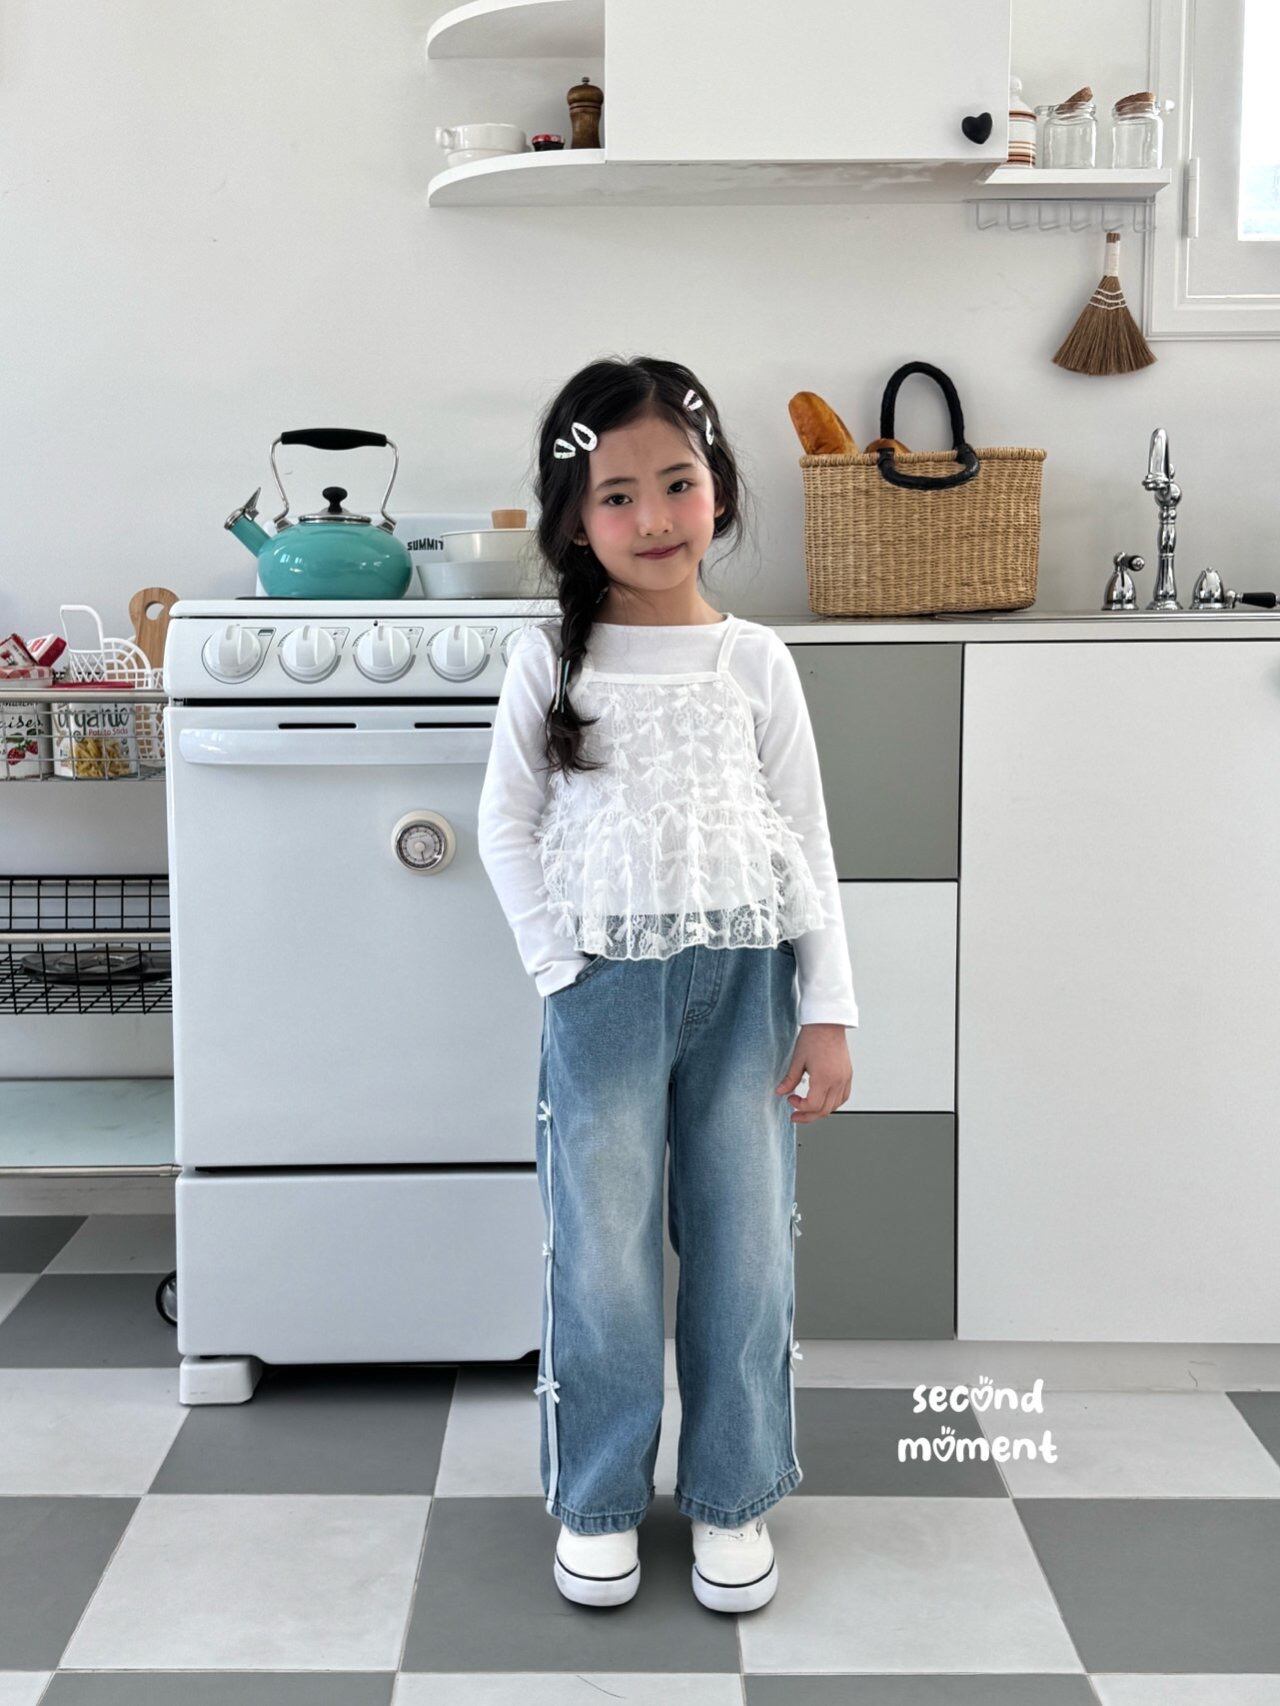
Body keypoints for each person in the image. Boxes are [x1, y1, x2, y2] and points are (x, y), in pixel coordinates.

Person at [477, 354, 858, 1615]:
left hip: (745, 989)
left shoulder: (755, 660)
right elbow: (503, 825)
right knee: (603, 1256)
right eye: (616, 495)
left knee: (744, 1249)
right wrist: (558, 964)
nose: (653, 517)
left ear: (718, 491)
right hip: (600, 993)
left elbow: (805, 839)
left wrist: (827, 1008)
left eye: (677, 483)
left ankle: (732, 1492)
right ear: (573, 521)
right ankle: (596, 1498)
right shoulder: (549, 661)